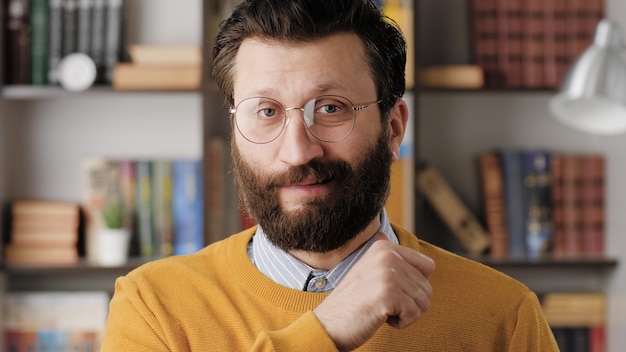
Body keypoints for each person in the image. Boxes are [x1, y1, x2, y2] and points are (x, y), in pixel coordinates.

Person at [101, 0, 559, 350]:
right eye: (267, 111)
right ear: (235, 129)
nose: (299, 149)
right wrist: (330, 327)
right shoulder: (154, 307)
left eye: (332, 108)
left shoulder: (504, 315)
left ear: (394, 128)